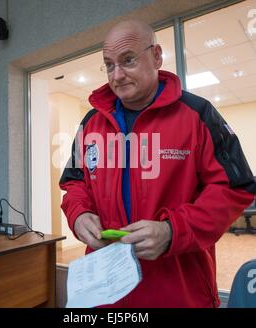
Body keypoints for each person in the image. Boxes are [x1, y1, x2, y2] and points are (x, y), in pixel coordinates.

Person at [60, 20, 256, 307]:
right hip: (105, 290)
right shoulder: (90, 123)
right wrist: (78, 214)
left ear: (156, 56)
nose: (117, 75)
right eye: (109, 65)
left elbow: (235, 189)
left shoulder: (198, 115)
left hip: (178, 290)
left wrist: (172, 231)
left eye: (128, 60)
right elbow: (75, 182)